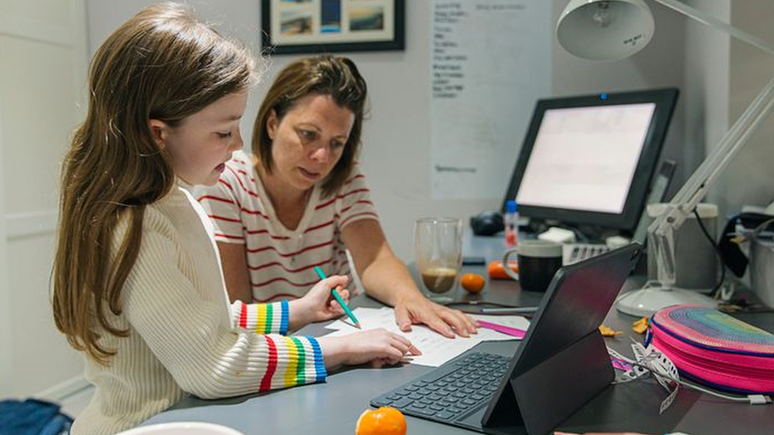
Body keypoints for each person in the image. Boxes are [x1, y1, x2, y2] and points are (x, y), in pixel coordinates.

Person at [51, 4, 417, 435]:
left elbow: (206, 319)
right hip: (148, 425)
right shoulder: (135, 226)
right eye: (224, 132)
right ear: (157, 132)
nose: (239, 143)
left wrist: (295, 312)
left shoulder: (173, 200)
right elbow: (213, 364)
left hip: (188, 416)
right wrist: (334, 350)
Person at [194, 55, 478, 338]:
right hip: (276, 345)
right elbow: (236, 308)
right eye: (308, 134)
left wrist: (410, 297)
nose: (321, 157)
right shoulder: (226, 182)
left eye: (336, 143)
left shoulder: (343, 176)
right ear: (272, 123)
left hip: (344, 331)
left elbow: (374, 259)